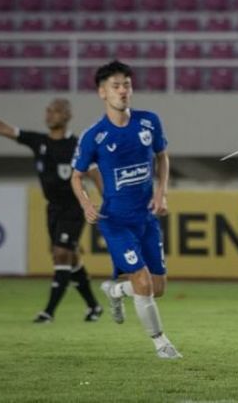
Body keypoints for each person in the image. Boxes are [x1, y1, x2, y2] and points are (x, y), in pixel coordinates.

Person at [0, 98, 103, 323]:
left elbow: (95, 174)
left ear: (67, 116)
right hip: (53, 208)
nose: (49, 114)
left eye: (55, 111)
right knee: (69, 258)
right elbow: (3, 129)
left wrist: (110, 201)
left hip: (74, 206)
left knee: (60, 253)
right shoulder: (38, 141)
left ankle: (49, 312)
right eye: (48, 110)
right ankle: (94, 306)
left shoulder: (78, 146)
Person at [70, 60, 181, 359]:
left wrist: (162, 192)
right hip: (115, 221)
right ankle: (161, 343)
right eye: (115, 86)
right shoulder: (94, 135)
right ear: (102, 93)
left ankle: (116, 291)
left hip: (146, 217)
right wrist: (85, 203)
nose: (122, 91)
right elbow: (76, 175)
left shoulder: (149, 122)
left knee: (157, 288)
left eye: (126, 85)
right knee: (143, 282)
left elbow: (162, 156)